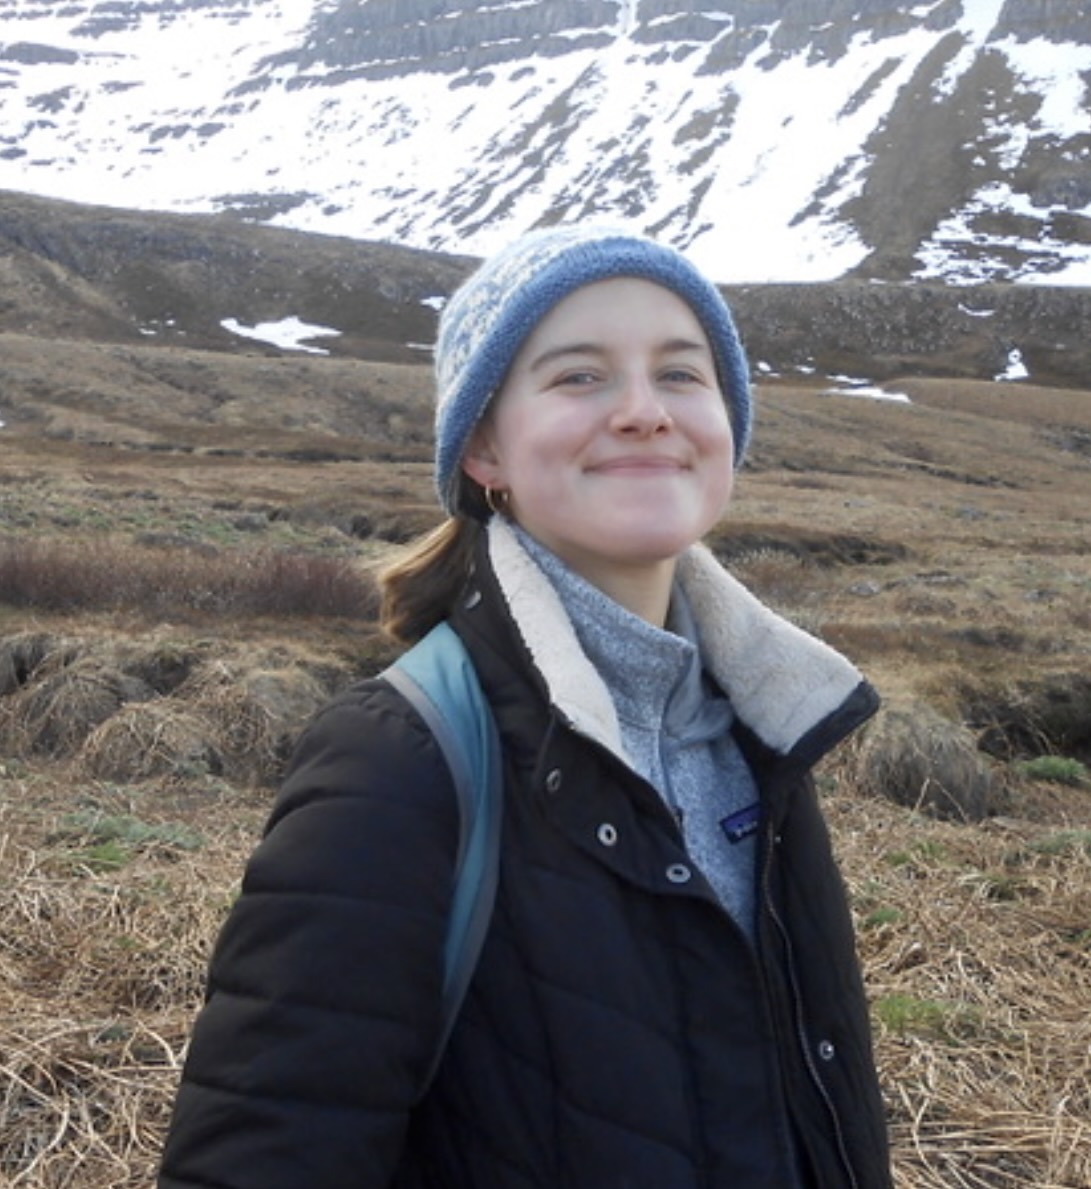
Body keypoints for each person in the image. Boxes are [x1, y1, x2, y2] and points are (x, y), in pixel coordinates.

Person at [157, 224, 892, 1189]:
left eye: (681, 373)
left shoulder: (761, 717)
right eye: (578, 376)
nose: (643, 412)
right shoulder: (397, 762)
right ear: (483, 449)